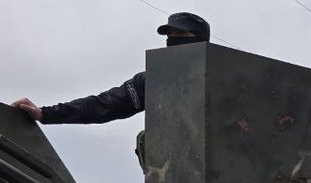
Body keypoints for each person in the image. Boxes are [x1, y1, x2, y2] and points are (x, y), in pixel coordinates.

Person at [12, 13, 211, 125]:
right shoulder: (154, 80)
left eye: (180, 33)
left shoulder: (230, 76)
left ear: (199, 38)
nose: (172, 38)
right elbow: (104, 105)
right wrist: (46, 113)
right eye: (170, 33)